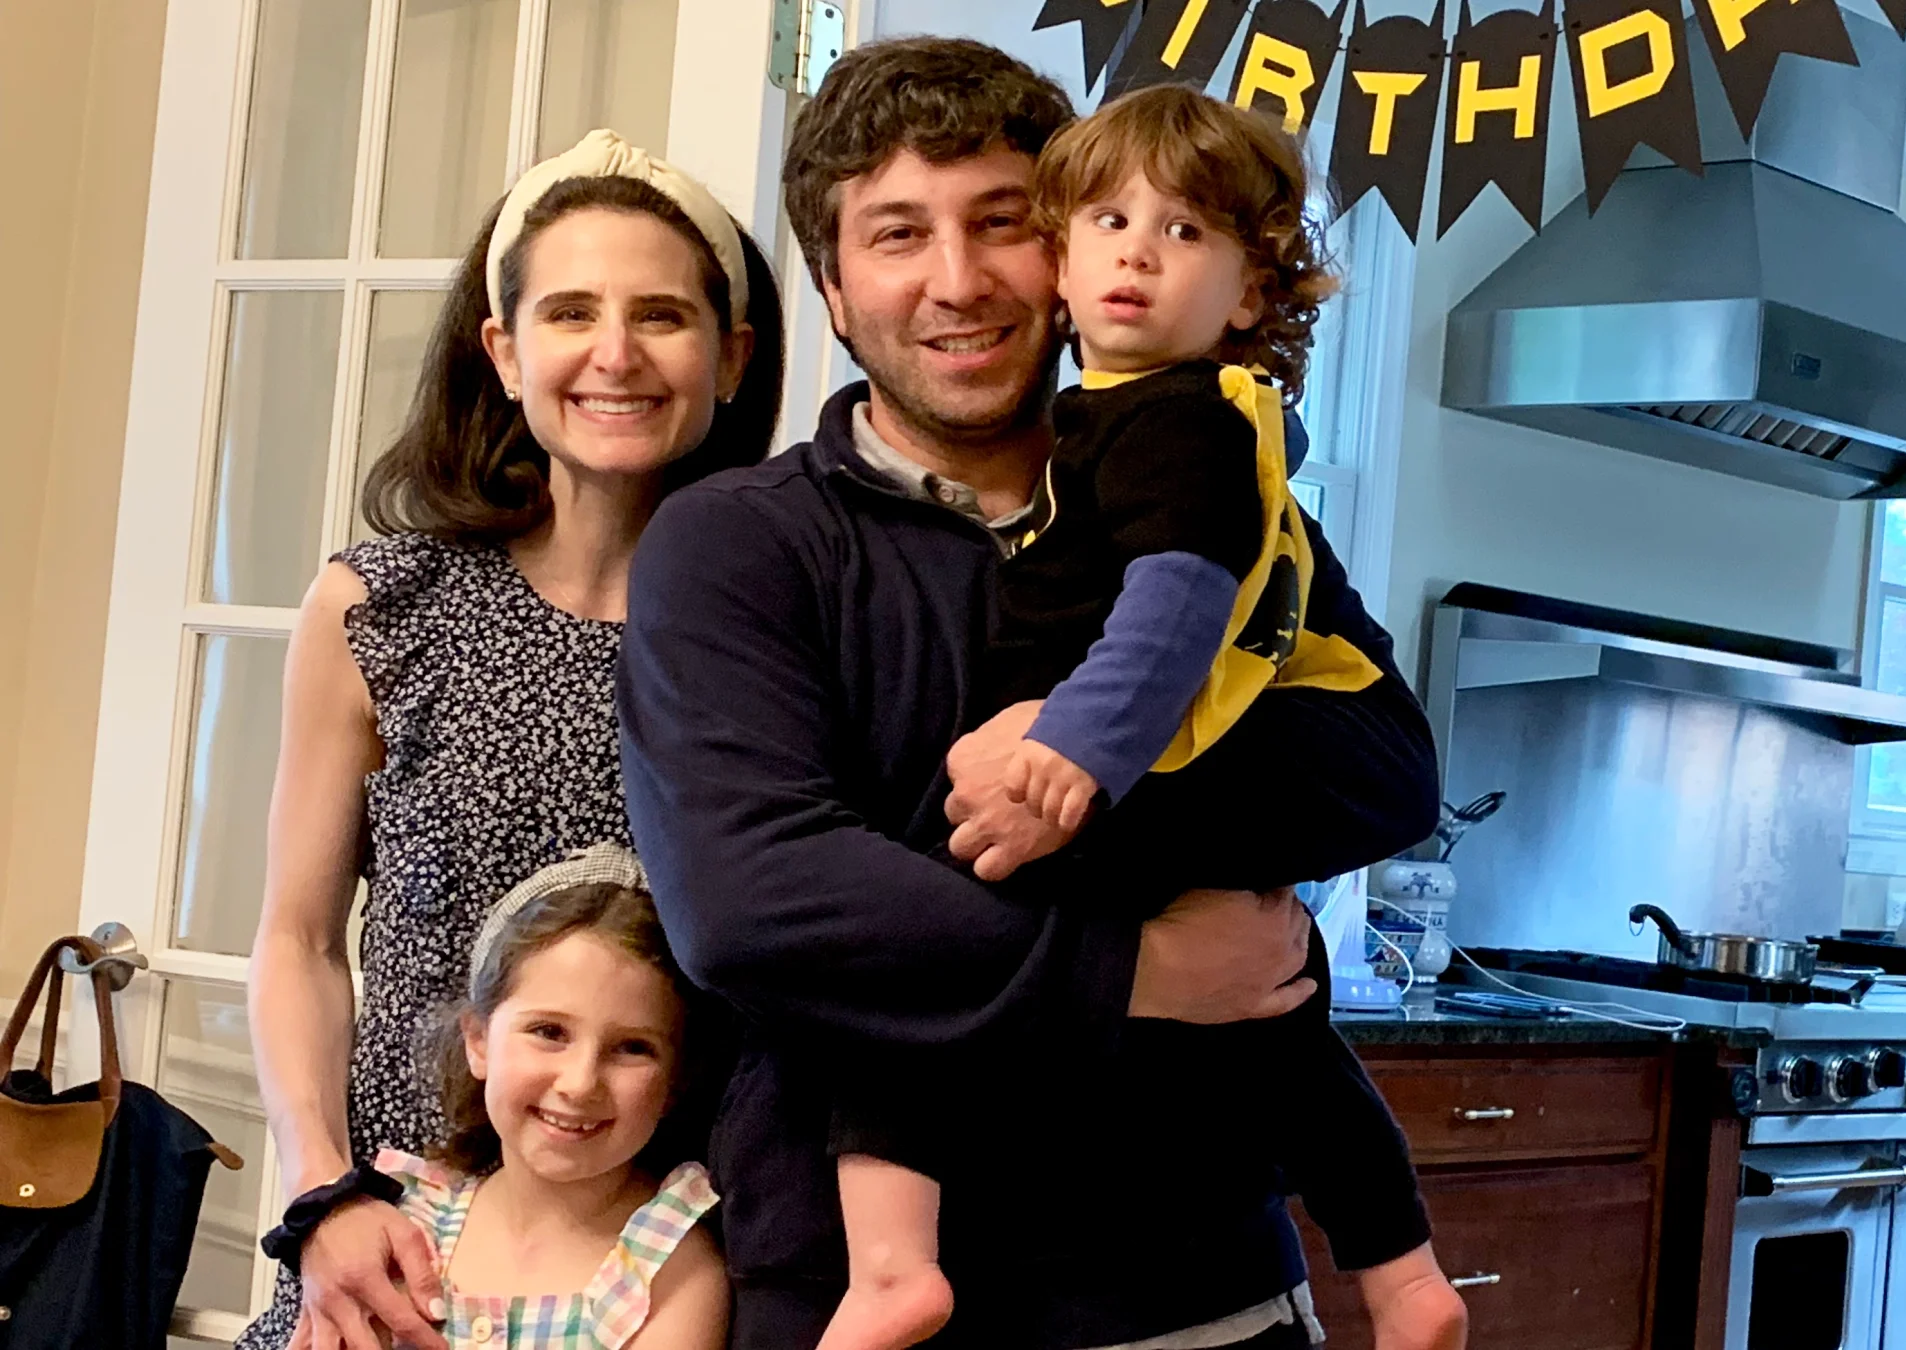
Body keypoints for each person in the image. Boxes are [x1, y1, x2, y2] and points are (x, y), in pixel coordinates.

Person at [619, 38, 1467, 1350]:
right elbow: (757, 902)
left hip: (1203, 1290)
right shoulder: (737, 543)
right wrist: (1141, 963)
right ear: (836, 291)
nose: (956, 281)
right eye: (898, 235)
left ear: (1062, 259)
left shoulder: (1207, 490)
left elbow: (1386, 770)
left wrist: (1095, 775)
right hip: (863, 1294)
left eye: (1001, 224)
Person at [821, 84, 1435, 1350]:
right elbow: (752, 906)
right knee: (1280, 1017)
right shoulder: (1129, 424)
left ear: (1254, 295)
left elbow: (1182, 612)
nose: (1136, 256)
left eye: (1186, 234)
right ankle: (1403, 1270)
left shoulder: (1176, 422)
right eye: (1105, 221)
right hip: (1085, 1249)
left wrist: (1074, 754)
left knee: (913, 997)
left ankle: (890, 1267)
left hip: (1201, 1277)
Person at [242, 130, 783, 1350]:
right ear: (504, 348)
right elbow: (294, 940)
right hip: (385, 1252)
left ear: (732, 356)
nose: (614, 354)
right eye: (572, 311)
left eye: (661, 315)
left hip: (659, 1273)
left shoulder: (777, 632)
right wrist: (320, 1191)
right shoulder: (382, 610)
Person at [375, 846, 725, 1346]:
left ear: (677, 1079)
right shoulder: (407, 1224)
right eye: (549, 1032)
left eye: (632, 1048)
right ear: (478, 1042)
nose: (581, 1083)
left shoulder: (669, 1267)